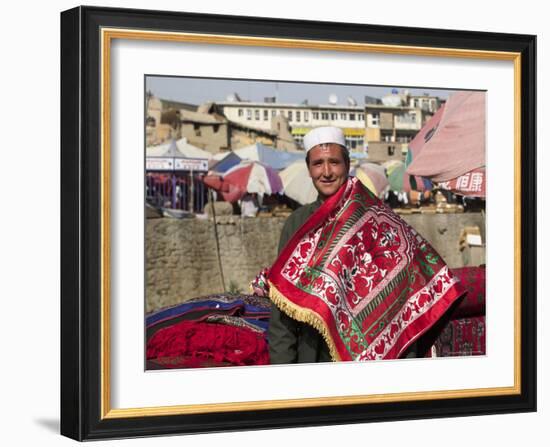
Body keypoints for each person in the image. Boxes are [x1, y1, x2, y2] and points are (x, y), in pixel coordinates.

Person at [267, 127, 464, 364]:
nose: (327, 172)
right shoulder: (298, 224)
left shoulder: (376, 218)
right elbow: (283, 309)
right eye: (318, 163)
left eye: (334, 162)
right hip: (312, 357)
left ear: (347, 165)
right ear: (309, 169)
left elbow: (405, 290)